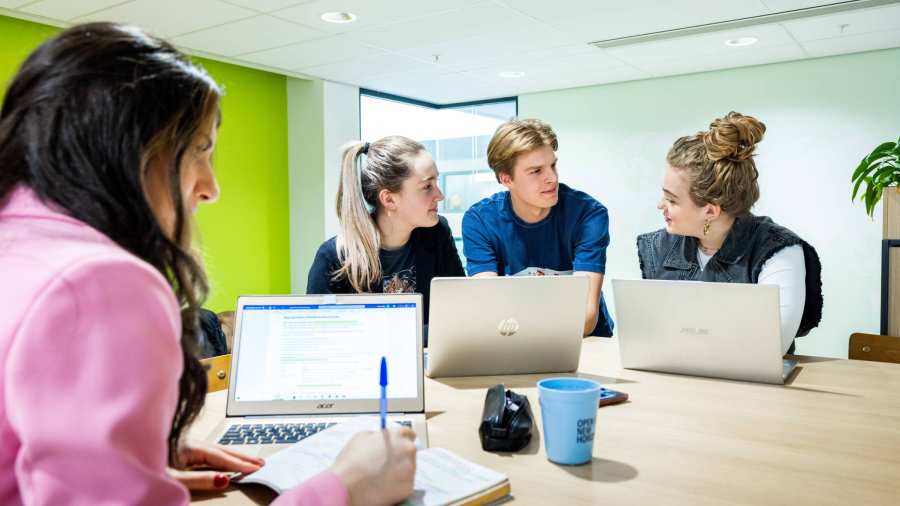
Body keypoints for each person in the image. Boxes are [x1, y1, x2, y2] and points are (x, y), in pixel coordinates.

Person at [0, 22, 415, 505]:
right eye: (201, 151)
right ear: (125, 148)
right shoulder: (100, 282)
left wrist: (140, 460)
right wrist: (344, 487)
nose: (211, 188)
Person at [636, 111, 823, 354]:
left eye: (672, 200)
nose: (660, 205)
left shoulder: (778, 250)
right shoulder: (658, 247)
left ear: (710, 211)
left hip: (751, 379)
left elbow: (771, 347)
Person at [462, 119, 613, 337]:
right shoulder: (480, 221)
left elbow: (586, 317)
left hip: (585, 341)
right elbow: (488, 307)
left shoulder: (588, 214)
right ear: (507, 179)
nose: (552, 178)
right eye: (536, 171)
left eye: (553, 165)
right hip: (514, 342)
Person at [307, 137, 464, 342]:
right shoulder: (333, 257)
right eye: (427, 186)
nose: (440, 195)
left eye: (437, 183)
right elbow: (321, 338)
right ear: (389, 199)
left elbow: (459, 311)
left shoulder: (437, 233)